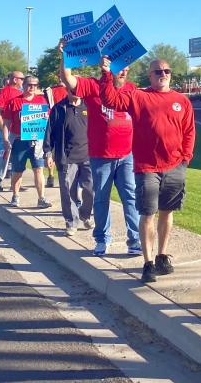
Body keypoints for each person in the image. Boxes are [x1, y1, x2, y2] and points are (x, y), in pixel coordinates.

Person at [101, 57, 195, 283]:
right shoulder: (138, 96)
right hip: (147, 168)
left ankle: (162, 256)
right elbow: (110, 99)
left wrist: (185, 158)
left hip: (175, 167)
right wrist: (107, 74)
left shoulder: (181, 100)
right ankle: (148, 262)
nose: (163, 74)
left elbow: (189, 131)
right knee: (147, 214)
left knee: (167, 212)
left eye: (166, 70)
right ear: (149, 75)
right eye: (157, 72)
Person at [59, 40, 141, 257]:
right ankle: (102, 239)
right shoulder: (93, 86)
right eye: (117, 66)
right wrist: (66, 55)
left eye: (125, 66)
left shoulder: (133, 90)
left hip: (127, 156)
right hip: (100, 156)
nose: (122, 70)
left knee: (130, 197)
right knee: (101, 199)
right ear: (107, 66)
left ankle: (135, 240)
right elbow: (67, 79)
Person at [44, 80, 94, 236]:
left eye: (78, 89)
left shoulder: (89, 107)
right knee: (68, 191)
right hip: (66, 157)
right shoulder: (59, 108)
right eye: (73, 89)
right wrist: (48, 153)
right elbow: (49, 132)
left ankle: (85, 215)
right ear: (67, 90)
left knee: (90, 190)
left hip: (89, 156)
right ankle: (71, 221)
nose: (76, 92)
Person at [1, 75, 53, 209]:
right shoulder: (14, 102)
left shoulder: (42, 101)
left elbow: (47, 122)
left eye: (35, 85)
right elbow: (6, 123)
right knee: (18, 171)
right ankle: (15, 196)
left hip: (37, 142)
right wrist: (6, 139)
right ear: (23, 85)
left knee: (38, 169)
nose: (32, 88)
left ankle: (41, 198)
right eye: (29, 85)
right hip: (19, 141)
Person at [0, 71, 24, 191]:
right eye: (22, 79)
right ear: (15, 79)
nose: (23, 81)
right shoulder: (6, 91)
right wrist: (1, 126)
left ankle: (14, 184)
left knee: (17, 156)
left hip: (17, 130)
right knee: (3, 155)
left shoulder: (21, 93)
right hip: (6, 130)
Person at [43, 82, 69, 188]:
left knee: (54, 150)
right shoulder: (51, 90)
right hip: (63, 120)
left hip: (54, 120)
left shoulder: (49, 90)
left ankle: (51, 176)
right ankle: (52, 176)